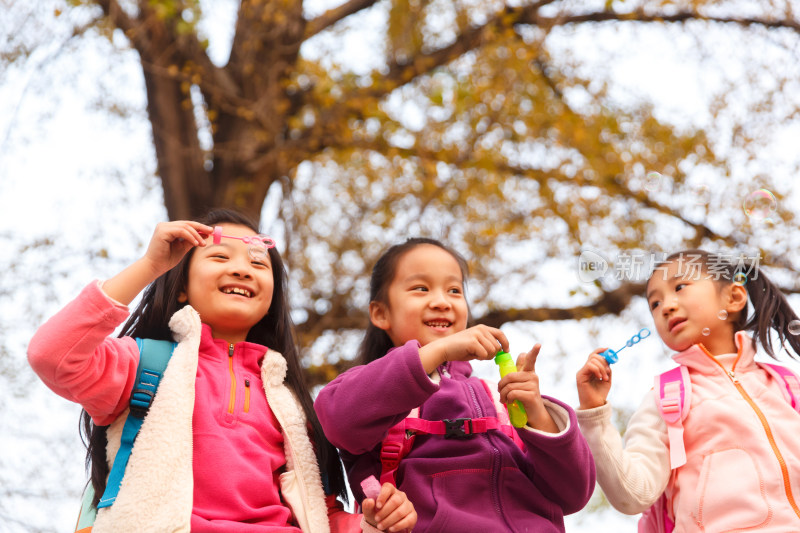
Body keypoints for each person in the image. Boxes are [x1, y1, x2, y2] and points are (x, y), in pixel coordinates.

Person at [28, 209, 417, 533]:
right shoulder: (143, 367)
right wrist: (151, 266)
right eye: (220, 257)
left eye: (257, 263)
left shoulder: (294, 408)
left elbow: (320, 514)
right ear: (181, 284)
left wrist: (374, 523)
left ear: (271, 297)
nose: (242, 269)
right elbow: (52, 355)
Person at [314, 238, 596, 533]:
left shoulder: (498, 397)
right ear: (381, 314)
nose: (442, 301)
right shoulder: (376, 394)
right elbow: (336, 417)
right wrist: (439, 351)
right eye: (421, 288)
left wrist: (538, 414)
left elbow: (574, 494)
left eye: (454, 290)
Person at [576, 249, 800, 531]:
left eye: (680, 287)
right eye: (654, 304)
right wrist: (594, 413)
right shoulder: (666, 397)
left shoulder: (786, 385)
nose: (665, 307)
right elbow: (632, 495)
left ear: (733, 297)